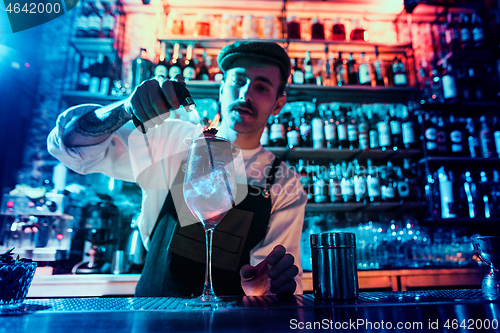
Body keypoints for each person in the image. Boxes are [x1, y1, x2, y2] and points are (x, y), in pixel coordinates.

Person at [48, 41, 307, 297]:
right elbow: (70, 147)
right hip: (154, 313)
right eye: (238, 81)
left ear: (277, 105)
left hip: (231, 321)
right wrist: (126, 108)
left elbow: (275, 281)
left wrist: (266, 285)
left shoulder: (284, 182)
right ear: (221, 88)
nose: (245, 94)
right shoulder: (172, 140)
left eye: (261, 87)